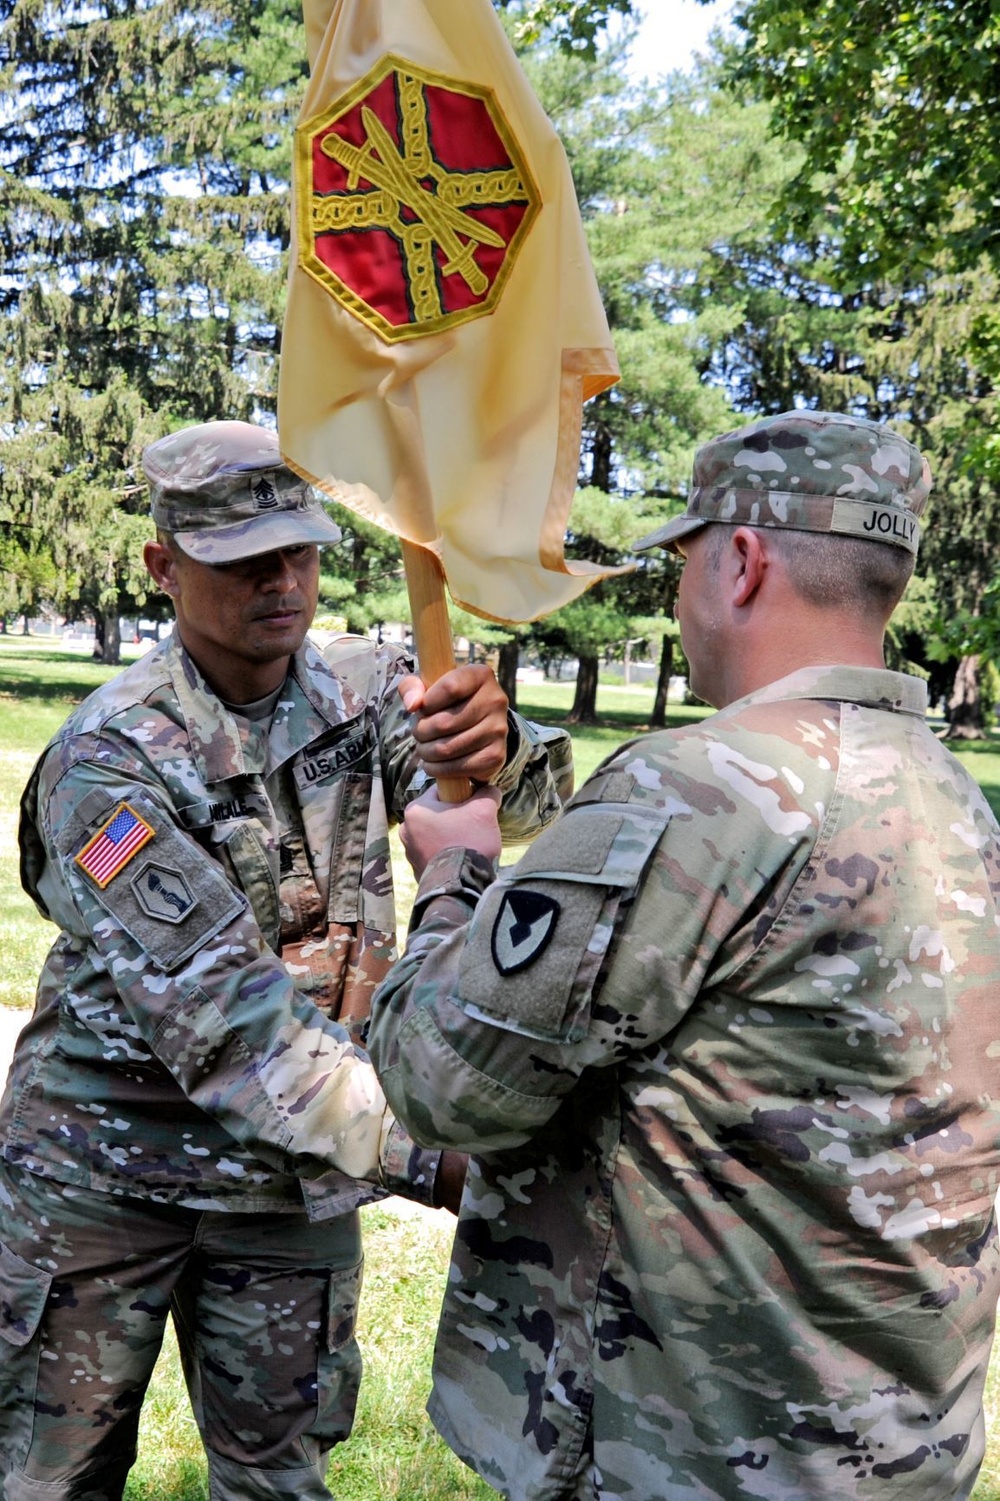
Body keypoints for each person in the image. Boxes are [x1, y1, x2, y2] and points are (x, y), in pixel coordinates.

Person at [367, 409, 1000, 1501]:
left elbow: (442, 1081)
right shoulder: (954, 798)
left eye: (686, 564)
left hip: (690, 1450)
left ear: (741, 562)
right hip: (885, 1440)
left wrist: (454, 873)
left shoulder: (701, 786)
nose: (678, 601)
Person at [0, 419, 572, 1501]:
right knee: (46, 1475)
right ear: (163, 568)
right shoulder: (107, 763)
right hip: (105, 1177)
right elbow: (229, 1024)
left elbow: (522, 809)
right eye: (240, 559)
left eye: (298, 549)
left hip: (288, 1182)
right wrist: (439, 1152)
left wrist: (497, 748)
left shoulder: (370, 688)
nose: (281, 579)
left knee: (280, 1478)